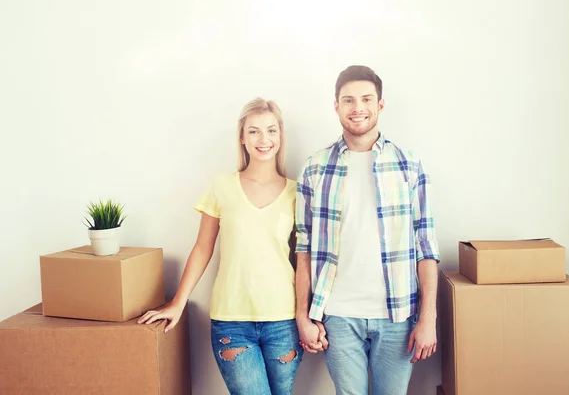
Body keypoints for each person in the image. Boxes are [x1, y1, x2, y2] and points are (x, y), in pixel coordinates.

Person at [138, 98, 303, 395]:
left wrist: (309, 314)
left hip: (284, 321)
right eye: (254, 131)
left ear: (280, 136)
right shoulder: (222, 186)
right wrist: (177, 303)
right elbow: (202, 248)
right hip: (231, 322)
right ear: (242, 137)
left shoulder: (297, 193)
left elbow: (306, 259)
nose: (263, 139)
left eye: (271, 130)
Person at [294, 65, 441, 395]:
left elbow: (426, 245)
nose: (357, 107)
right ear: (336, 107)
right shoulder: (315, 167)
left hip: (398, 315)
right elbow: (302, 248)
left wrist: (428, 318)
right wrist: (303, 316)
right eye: (348, 100)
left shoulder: (408, 164)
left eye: (365, 99)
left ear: (380, 105)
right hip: (338, 315)